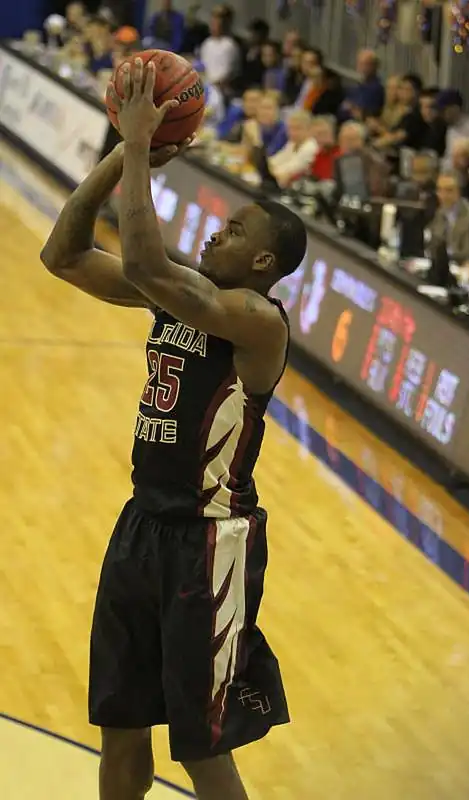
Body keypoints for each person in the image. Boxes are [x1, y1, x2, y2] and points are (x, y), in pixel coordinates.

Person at [40, 58, 307, 800]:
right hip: (141, 526)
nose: (216, 233)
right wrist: (123, 160)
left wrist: (135, 146)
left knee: (200, 749)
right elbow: (62, 255)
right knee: (121, 726)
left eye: (233, 232)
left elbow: (147, 263)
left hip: (208, 542)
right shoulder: (182, 293)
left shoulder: (255, 320)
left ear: (262, 261)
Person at [429, 170, 469, 263]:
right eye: (440, 190)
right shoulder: (440, 212)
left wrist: (446, 257)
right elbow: (433, 243)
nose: (443, 196)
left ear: (459, 192)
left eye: (449, 190)